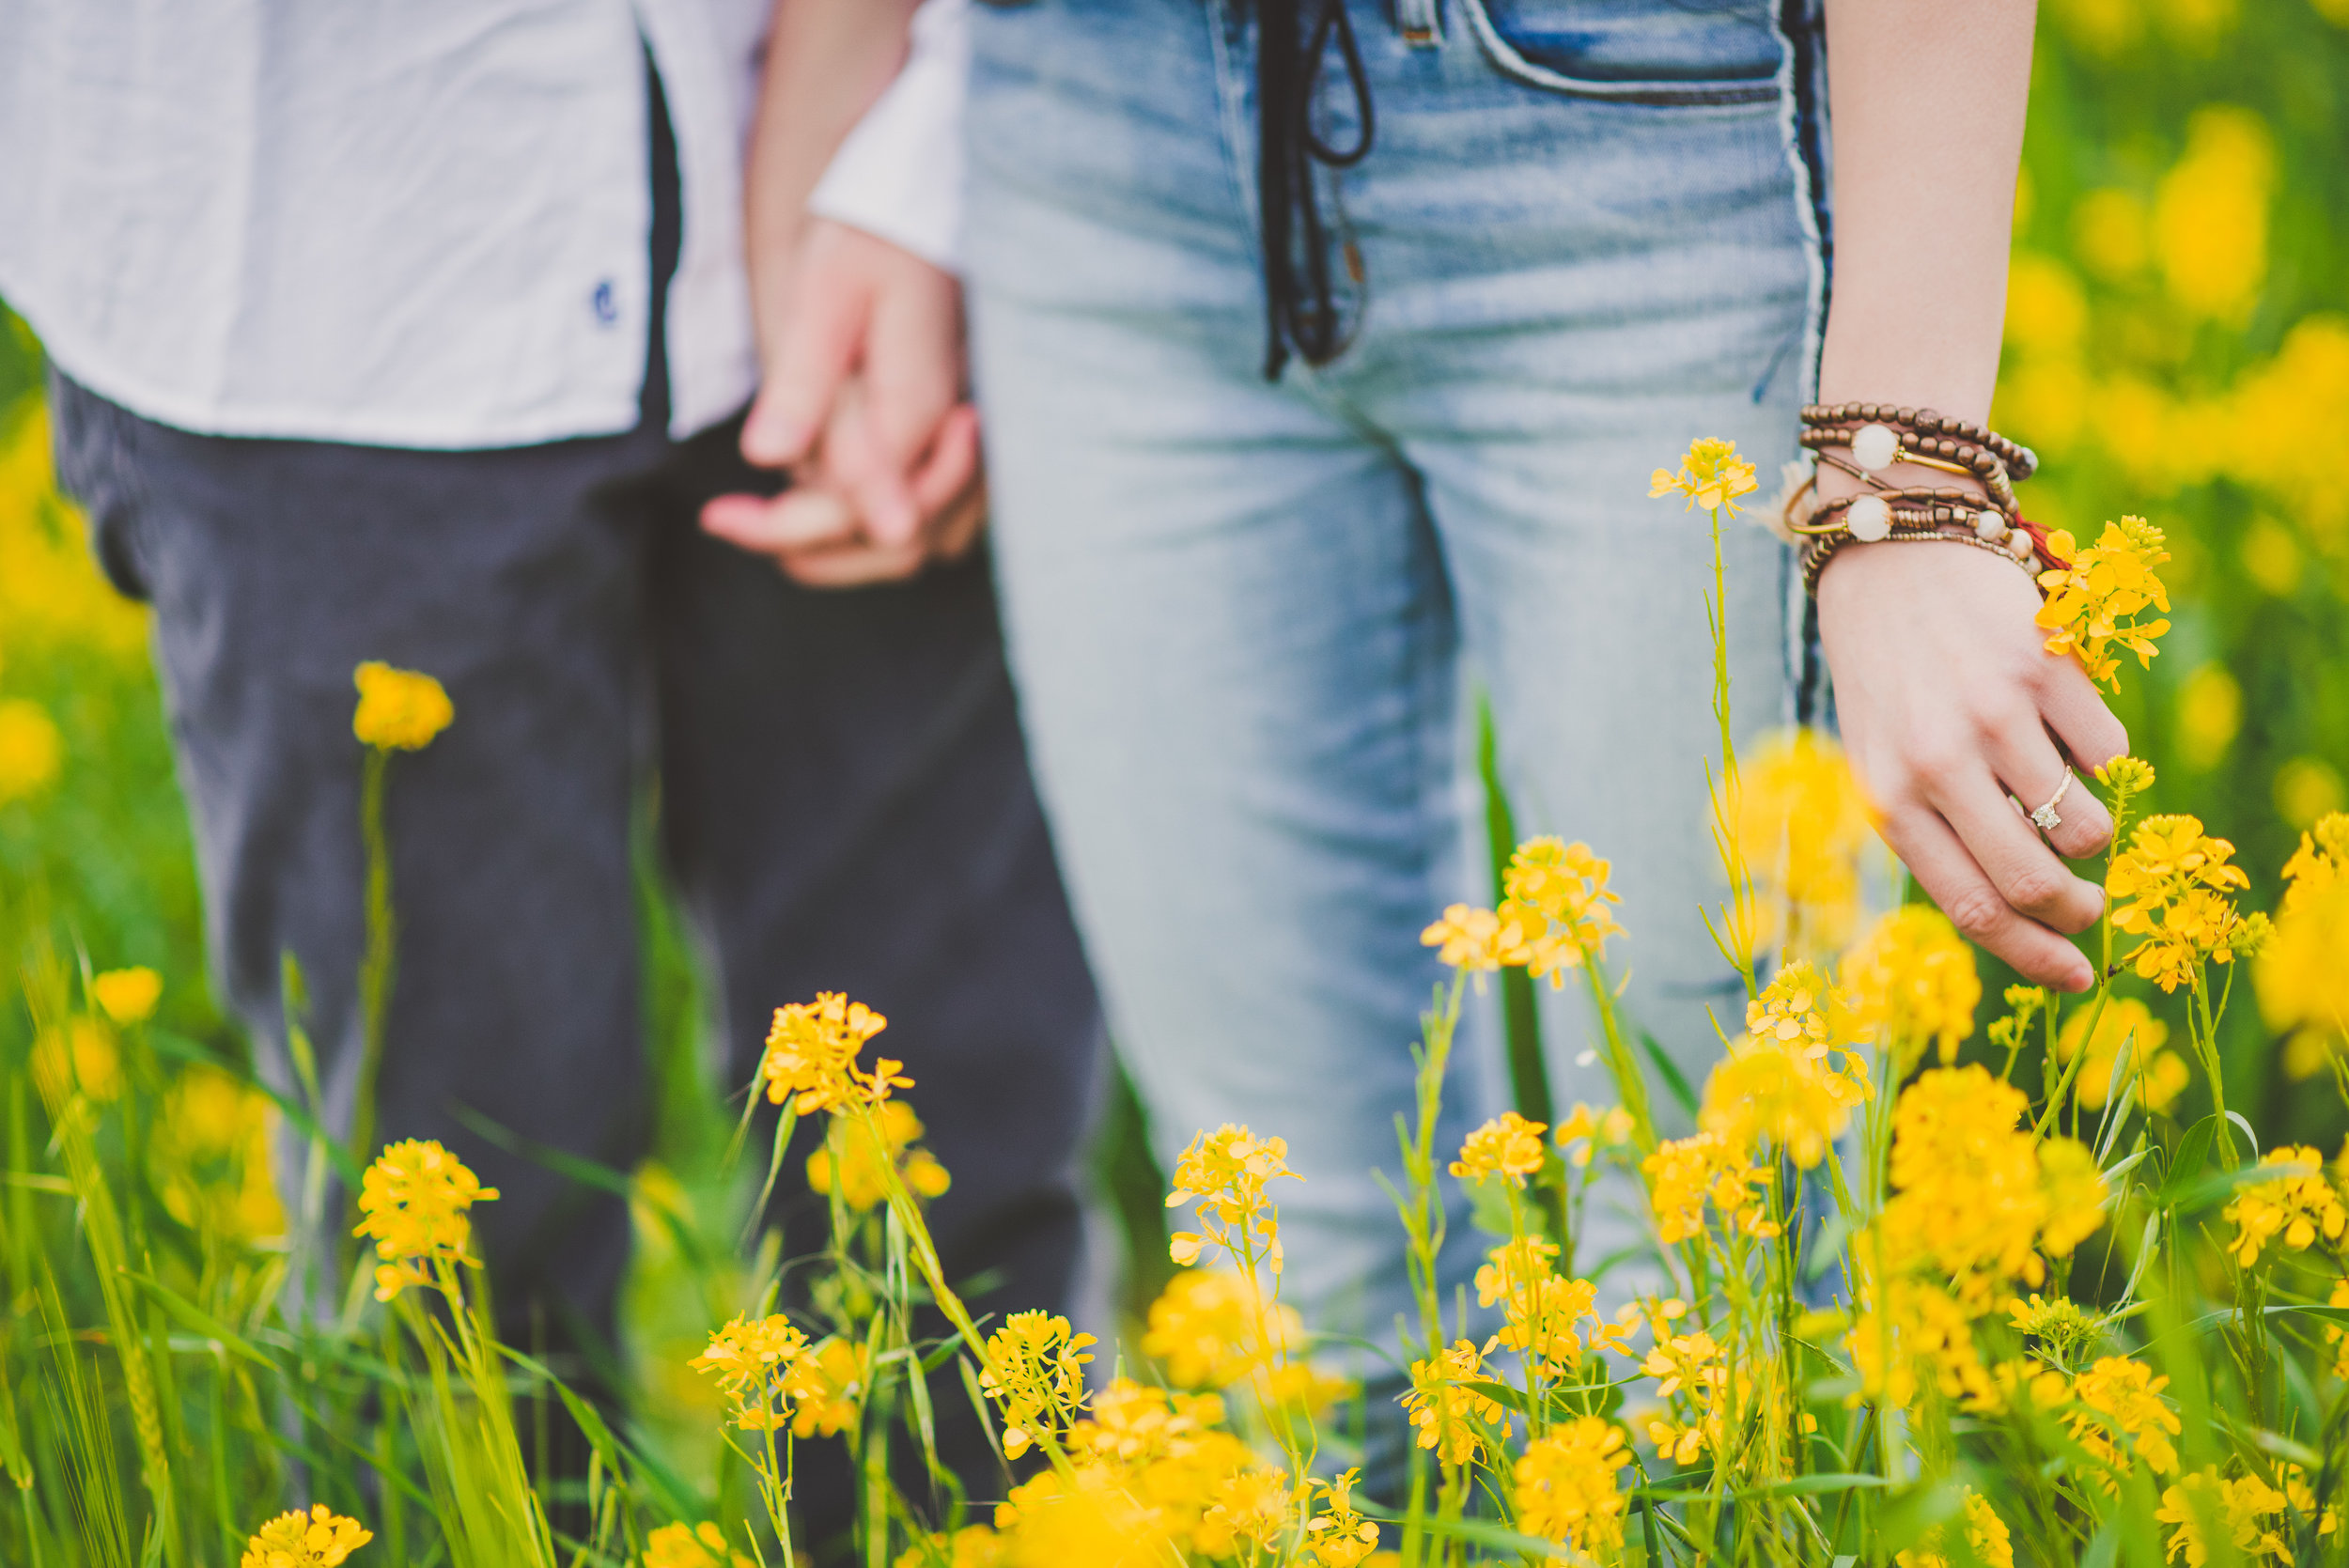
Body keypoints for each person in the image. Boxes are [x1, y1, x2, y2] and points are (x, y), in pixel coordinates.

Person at [765, 0, 2129, 1465]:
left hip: (1631, 125)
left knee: (1717, 1327)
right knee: (1296, 1311)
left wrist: (1907, 472)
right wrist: (865, 160)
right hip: (1091, 135)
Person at [0, 0, 1099, 1545]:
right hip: (320, 295)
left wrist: (921, 154)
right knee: (451, 1287)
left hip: (854, 189)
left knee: (947, 1211)